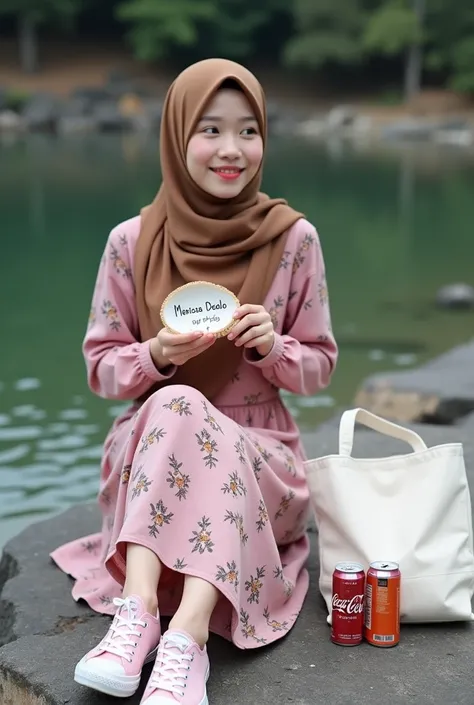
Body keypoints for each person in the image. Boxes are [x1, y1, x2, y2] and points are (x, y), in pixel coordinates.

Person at [50, 58, 338, 705]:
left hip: (262, 456)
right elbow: (100, 368)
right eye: (209, 129)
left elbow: (319, 364)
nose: (231, 150)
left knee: (193, 415)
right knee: (176, 402)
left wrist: (275, 346)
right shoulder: (131, 241)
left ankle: (183, 636)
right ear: (177, 137)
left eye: (248, 131)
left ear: (264, 140)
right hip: (152, 450)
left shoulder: (295, 240)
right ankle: (142, 613)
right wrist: (155, 352)